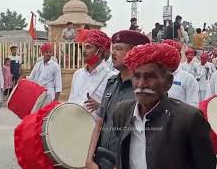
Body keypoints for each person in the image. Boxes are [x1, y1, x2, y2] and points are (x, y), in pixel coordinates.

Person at [112, 43, 216, 169]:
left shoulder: (189, 118)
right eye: (137, 76)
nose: (141, 84)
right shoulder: (122, 112)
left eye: (149, 77)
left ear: (168, 82)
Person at [86, 30, 150, 169]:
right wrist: (89, 160)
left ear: (135, 52)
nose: (113, 53)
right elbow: (99, 122)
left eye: (119, 49)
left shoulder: (144, 88)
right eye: (113, 48)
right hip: (101, 159)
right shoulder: (112, 82)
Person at [68, 30, 117, 115]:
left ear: (100, 51)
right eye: (84, 47)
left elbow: (117, 112)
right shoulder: (77, 74)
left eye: (88, 47)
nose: (83, 51)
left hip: (97, 126)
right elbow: (71, 101)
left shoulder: (113, 78)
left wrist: (100, 107)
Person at [162, 40, 200, 107]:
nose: (167, 58)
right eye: (164, 55)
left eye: (170, 55)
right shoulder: (155, 77)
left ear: (179, 56)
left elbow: (193, 106)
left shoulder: (188, 79)